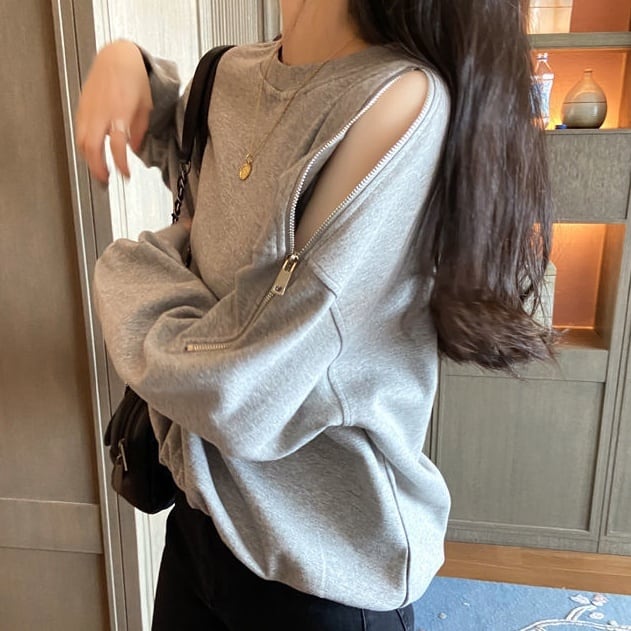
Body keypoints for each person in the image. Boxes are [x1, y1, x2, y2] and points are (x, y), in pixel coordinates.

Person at [77, 0, 554, 629]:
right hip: (201, 524)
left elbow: (240, 390)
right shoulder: (228, 75)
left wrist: (123, 266)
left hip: (323, 563)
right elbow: (206, 188)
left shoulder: (397, 102)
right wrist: (129, 66)